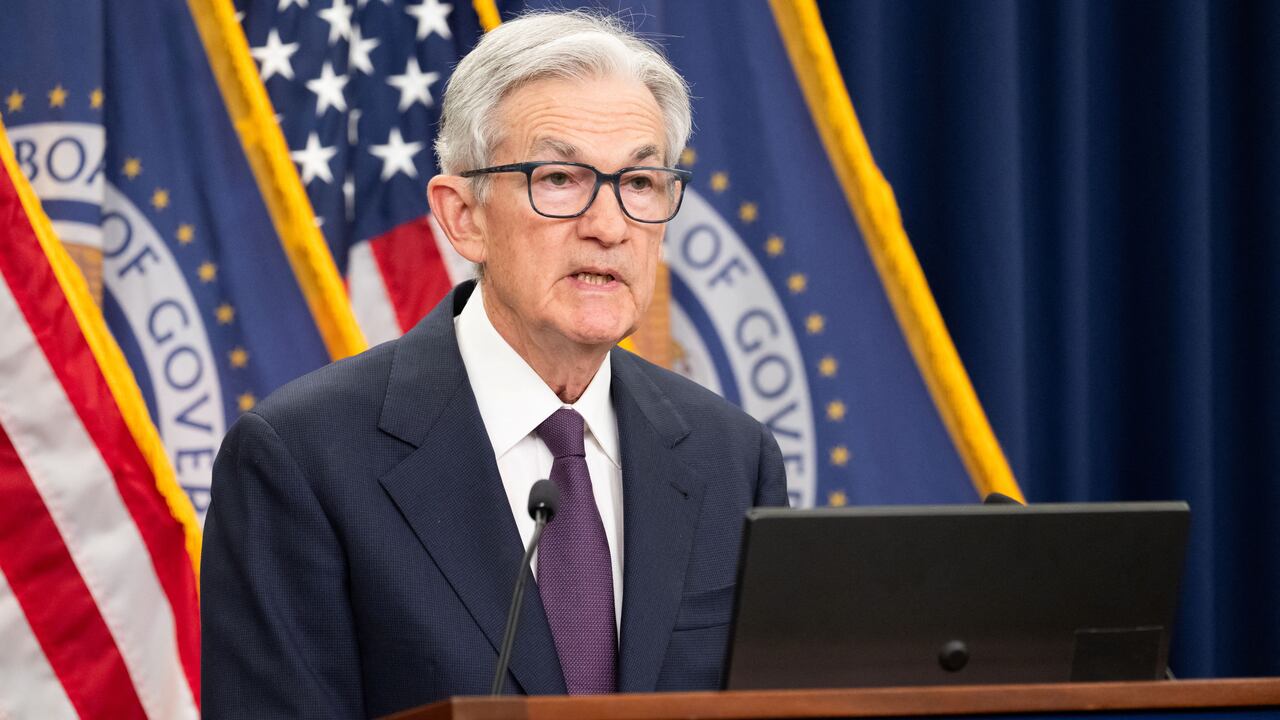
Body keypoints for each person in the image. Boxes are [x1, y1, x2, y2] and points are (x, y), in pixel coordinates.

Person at [200, 11, 788, 718]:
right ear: (462, 216)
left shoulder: (732, 457)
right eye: (561, 178)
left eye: (639, 181)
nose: (609, 225)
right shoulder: (301, 460)